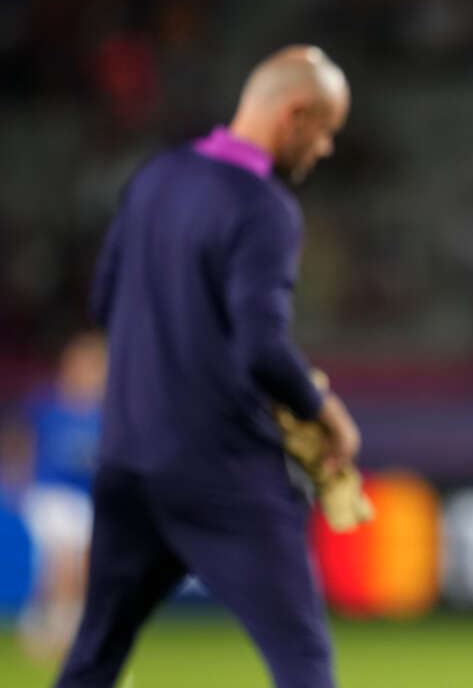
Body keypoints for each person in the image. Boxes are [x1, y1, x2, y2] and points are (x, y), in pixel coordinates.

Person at [55, 45, 361, 688]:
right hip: (221, 473)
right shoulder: (263, 208)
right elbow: (260, 346)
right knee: (302, 660)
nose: (326, 149)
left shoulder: (154, 178)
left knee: (93, 660)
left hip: (128, 461)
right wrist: (322, 410)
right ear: (294, 114)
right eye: (326, 130)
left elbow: (104, 301)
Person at [14, 332, 106, 659]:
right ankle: (60, 630)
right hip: (50, 494)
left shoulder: (105, 413)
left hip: (86, 500)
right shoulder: (46, 404)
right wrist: (19, 483)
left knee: (76, 567)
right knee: (65, 560)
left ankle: (45, 625)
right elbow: (21, 444)